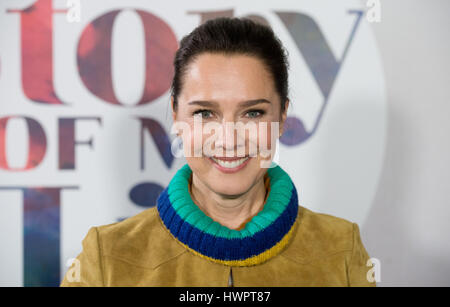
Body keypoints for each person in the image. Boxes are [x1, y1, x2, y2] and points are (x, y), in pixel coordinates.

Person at [60, 17, 376, 287]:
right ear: (177, 115)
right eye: (204, 113)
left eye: (253, 113)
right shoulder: (105, 259)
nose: (228, 140)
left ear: (281, 117)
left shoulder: (342, 250)